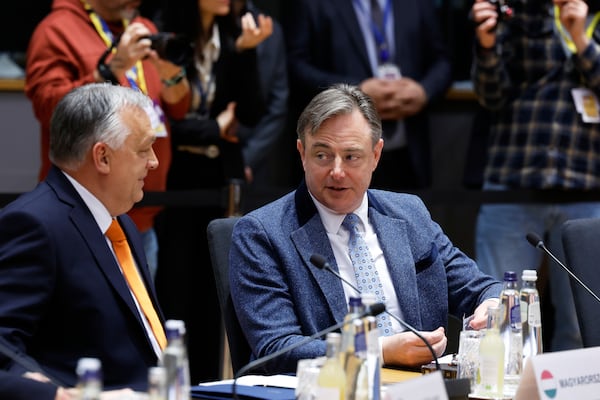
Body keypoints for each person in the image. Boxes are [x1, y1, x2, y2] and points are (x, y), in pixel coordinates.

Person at [229, 84, 503, 373]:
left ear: (376, 155)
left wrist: (490, 304)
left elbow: (480, 288)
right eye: (322, 155)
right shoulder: (262, 234)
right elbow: (276, 348)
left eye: (351, 157)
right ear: (302, 153)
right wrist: (379, 351)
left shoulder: (409, 214)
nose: (337, 171)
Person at [0, 83, 166, 391]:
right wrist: (58, 396)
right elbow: (4, 349)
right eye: (143, 149)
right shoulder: (34, 224)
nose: (153, 161)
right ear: (102, 157)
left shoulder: (122, 223)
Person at [24, 0, 192, 279]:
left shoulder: (143, 28)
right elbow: (48, 109)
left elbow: (177, 108)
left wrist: (172, 77)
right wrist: (110, 70)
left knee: (139, 319)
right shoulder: (56, 29)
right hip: (80, 218)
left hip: (142, 219)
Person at [470, 0, 600, 351]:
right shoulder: (517, 10)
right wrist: (485, 44)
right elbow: (490, 95)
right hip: (513, 182)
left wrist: (581, 40)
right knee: (496, 315)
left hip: (586, 188)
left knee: (581, 323)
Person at [154, 0, 272, 383]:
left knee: (213, 293)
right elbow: (162, 122)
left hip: (221, 178)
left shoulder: (232, 35)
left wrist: (246, 53)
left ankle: (205, 385)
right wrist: (212, 129)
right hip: (174, 178)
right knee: (174, 287)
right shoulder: (165, 33)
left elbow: (251, 112)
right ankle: (171, 383)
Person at [282, 0, 452, 191]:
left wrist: (424, 91)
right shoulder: (311, 4)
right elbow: (295, 67)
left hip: (408, 150)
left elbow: (442, 61)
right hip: (338, 156)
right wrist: (355, 93)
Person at [235, 0, 289, 188]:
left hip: (255, 158)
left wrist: (246, 159)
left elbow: (277, 104)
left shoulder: (269, 28)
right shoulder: (205, 25)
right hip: (206, 152)